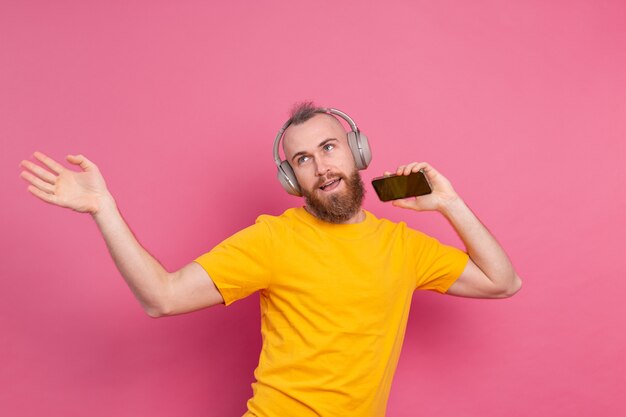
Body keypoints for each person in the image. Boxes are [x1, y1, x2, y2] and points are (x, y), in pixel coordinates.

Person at [19, 102, 521, 417]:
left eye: (329, 148)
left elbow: (503, 282)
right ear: (291, 179)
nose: (321, 167)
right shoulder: (272, 240)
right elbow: (162, 298)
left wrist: (450, 204)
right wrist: (103, 208)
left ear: (358, 153)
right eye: (303, 160)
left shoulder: (404, 246)